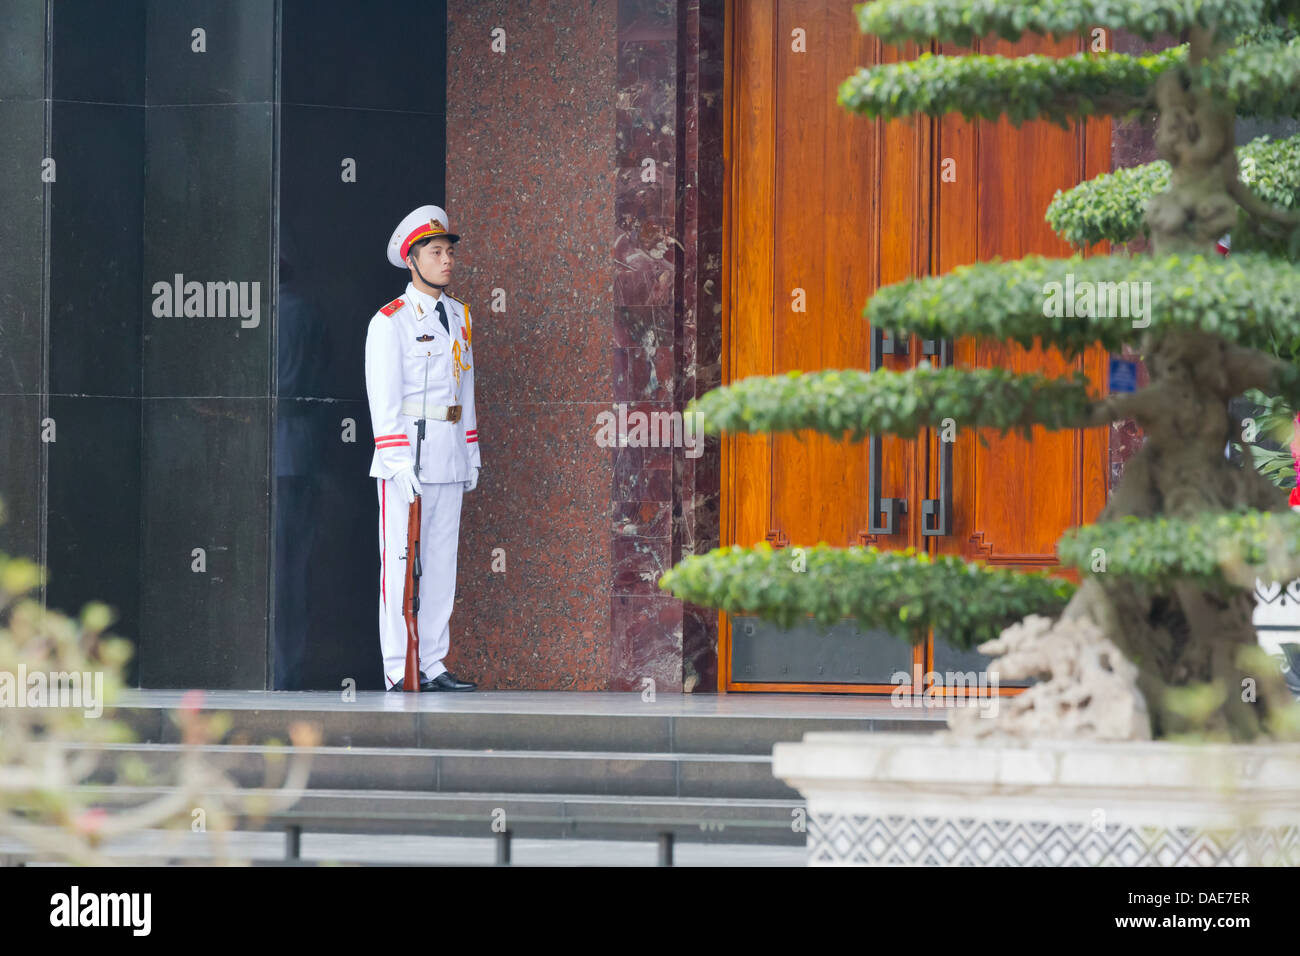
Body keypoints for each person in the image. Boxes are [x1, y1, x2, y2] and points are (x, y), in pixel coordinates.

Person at [365, 205, 480, 692]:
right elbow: (383, 396)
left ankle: (432, 661)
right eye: (436, 252)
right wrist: (393, 460)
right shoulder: (390, 320)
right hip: (407, 459)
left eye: (449, 251)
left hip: (449, 453)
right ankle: (398, 667)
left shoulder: (459, 315)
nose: (446, 260)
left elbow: (465, 388)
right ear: (412, 261)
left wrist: (471, 451)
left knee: (441, 564)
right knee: (399, 565)